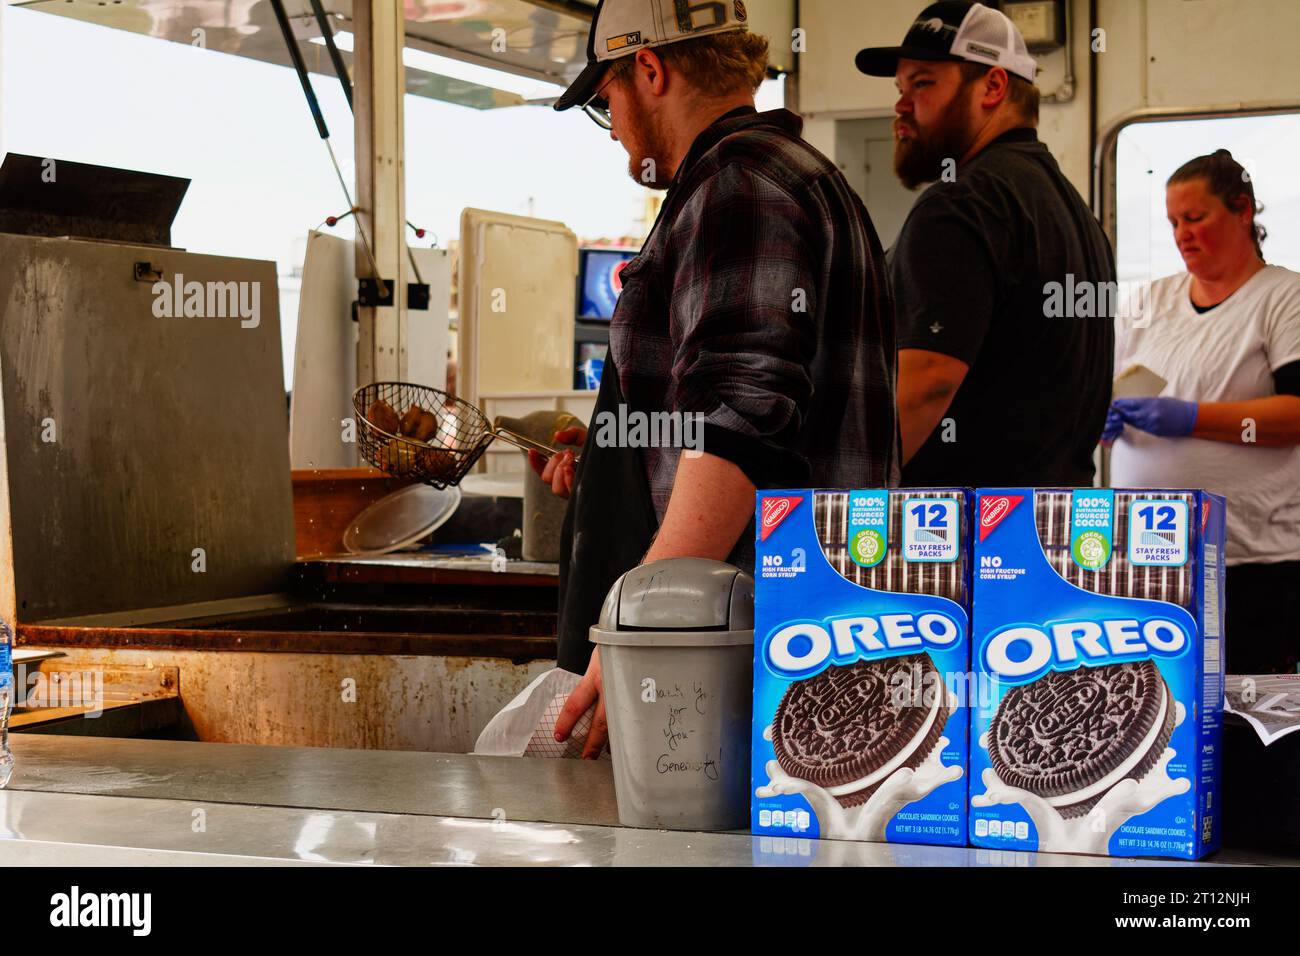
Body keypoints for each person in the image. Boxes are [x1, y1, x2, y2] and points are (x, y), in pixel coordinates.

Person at [536, 0, 898, 756]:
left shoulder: (740, 188)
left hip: (738, 649)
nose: (618, 137)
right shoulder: (801, 178)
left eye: (609, 107)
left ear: (650, 69)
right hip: (793, 634)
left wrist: (642, 627)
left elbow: (739, 425)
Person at [857, 1, 1115, 486]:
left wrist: (844, 503)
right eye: (900, 87)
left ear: (993, 87)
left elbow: (926, 384)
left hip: (961, 538)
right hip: (1052, 534)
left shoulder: (962, 203)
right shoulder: (1074, 213)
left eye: (923, 83)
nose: (901, 105)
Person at [1106, 150, 1300, 675]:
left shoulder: (1283, 297)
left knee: (1247, 718)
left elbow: (1294, 416)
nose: (1182, 235)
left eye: (1195, 218)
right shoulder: (1149, 303)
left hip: (1250, 559)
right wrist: (1095, 422)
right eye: (1173, 222)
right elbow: (1103, 393)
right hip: (1146, 556)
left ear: (1241, 211)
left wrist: (1191, 419)